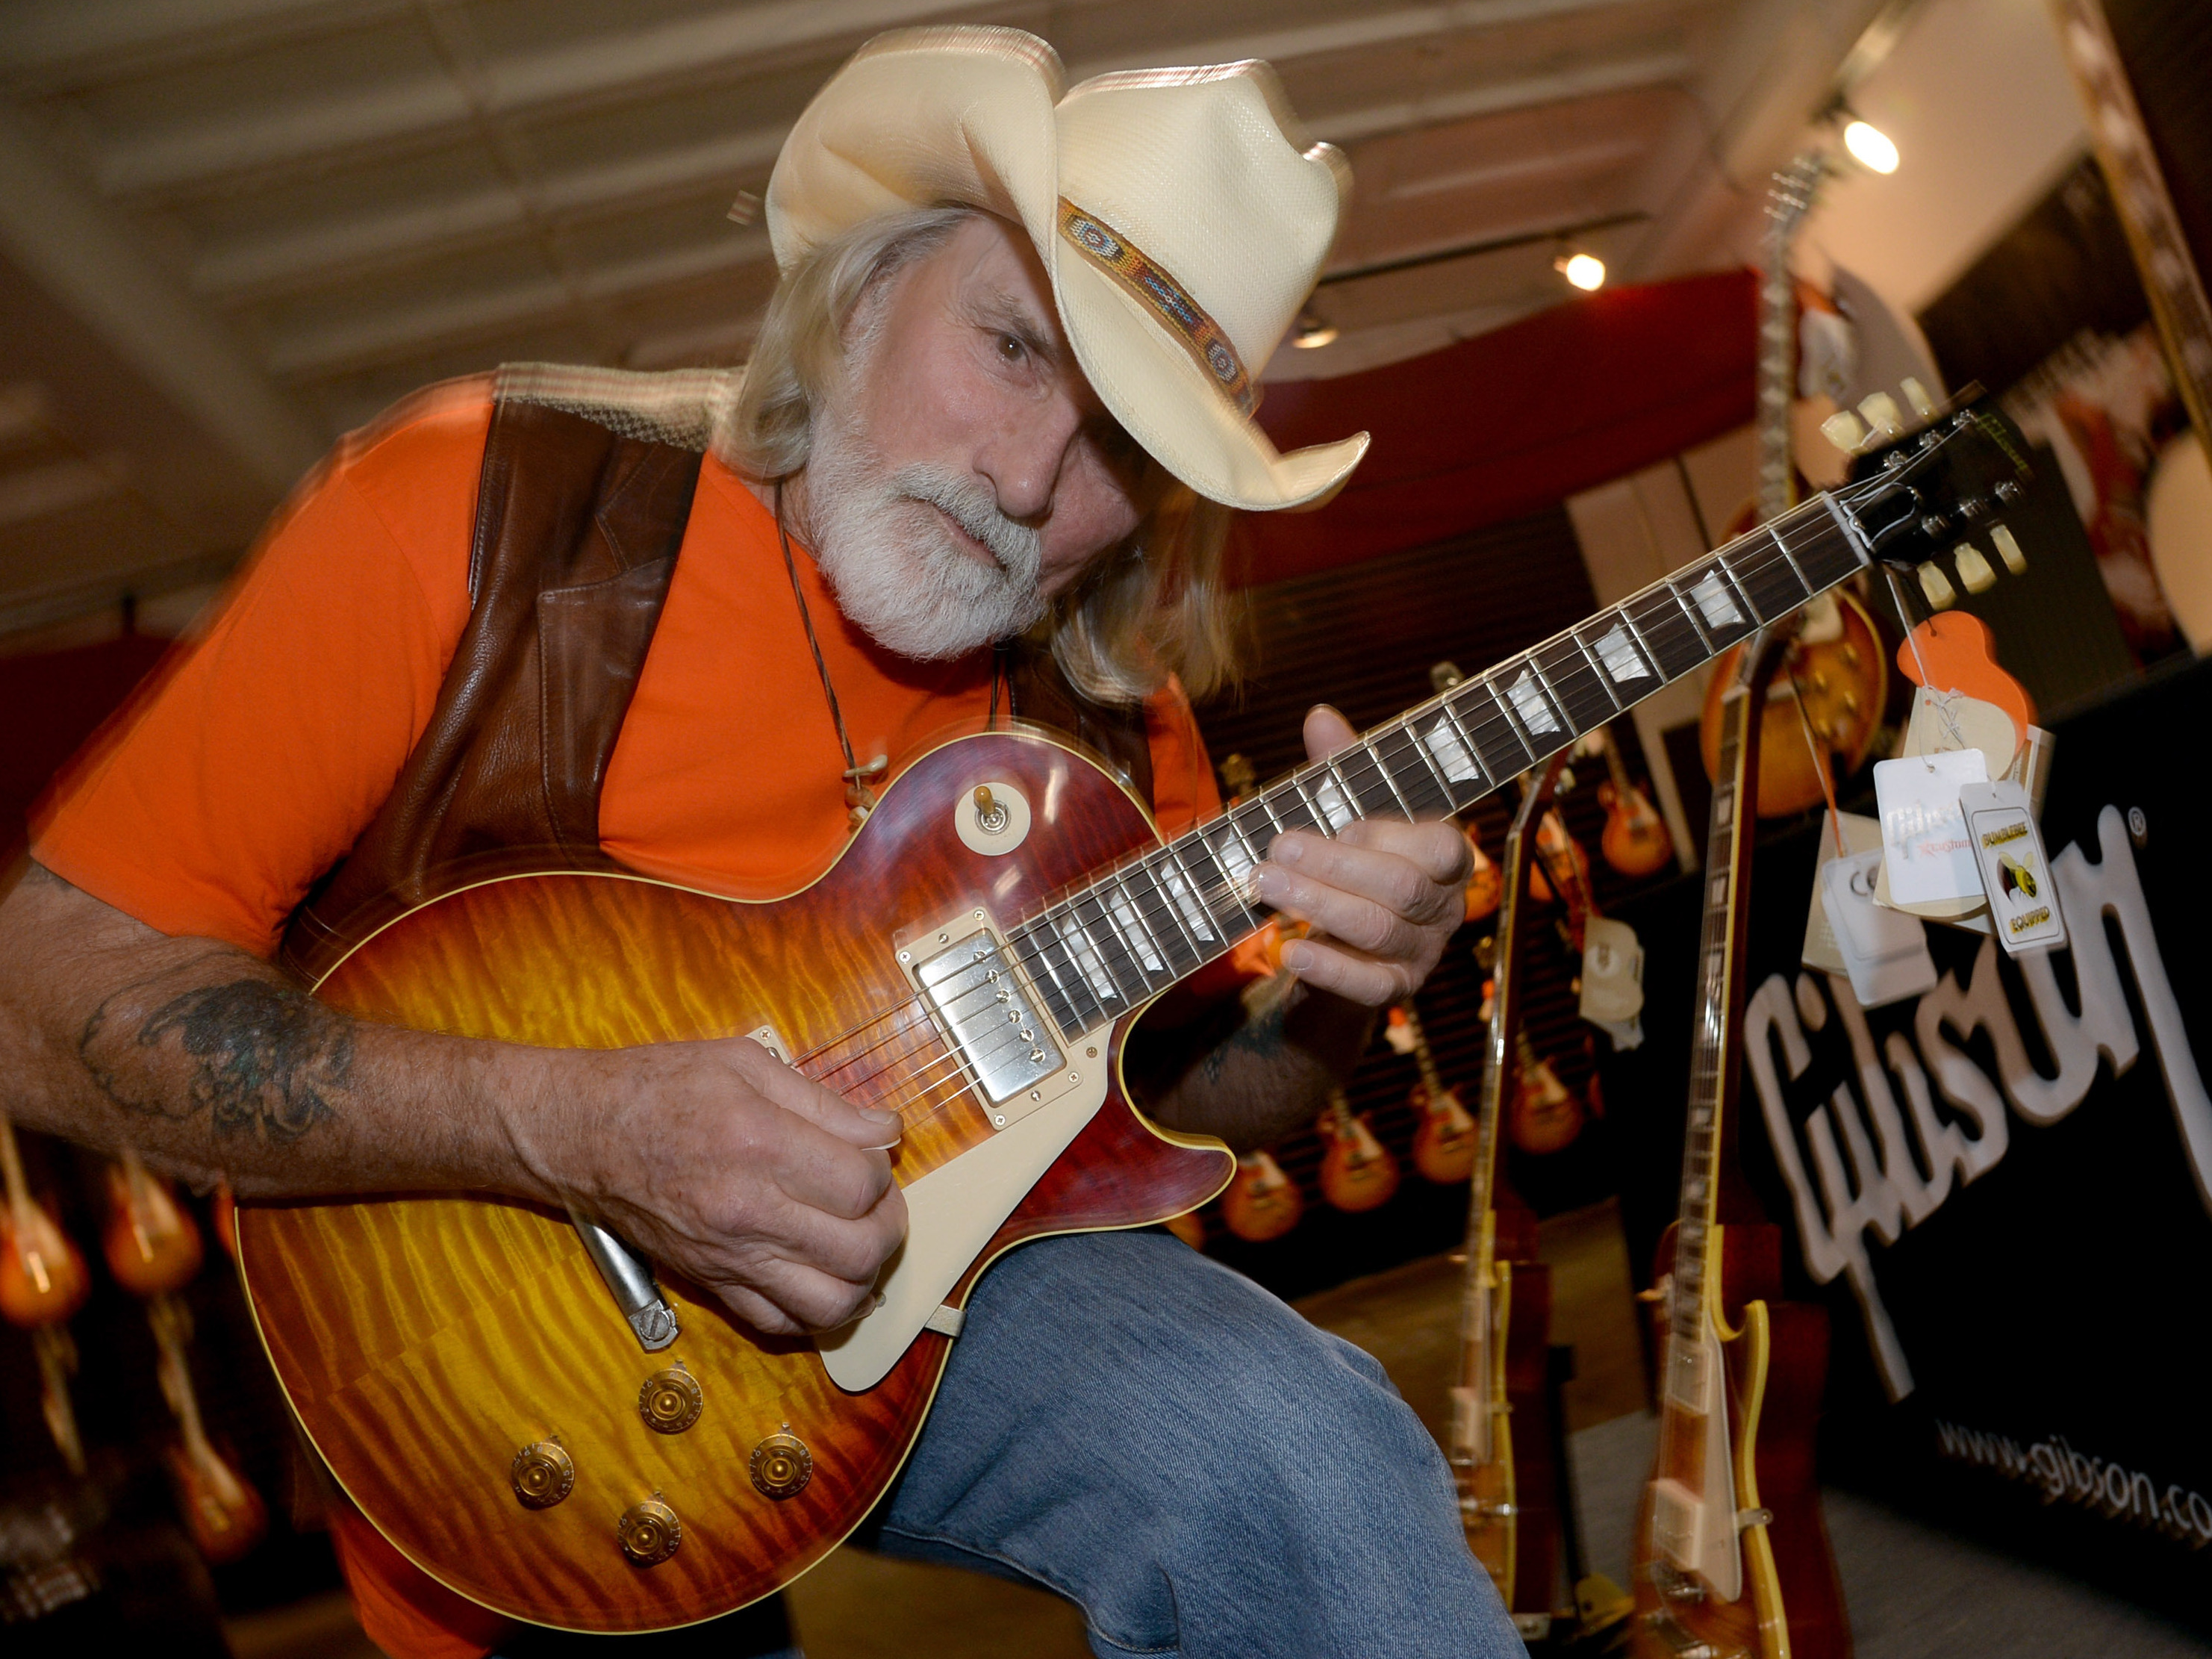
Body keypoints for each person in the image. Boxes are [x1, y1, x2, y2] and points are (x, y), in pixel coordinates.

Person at [0, 27, 1516, 1659]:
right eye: (1012, 347)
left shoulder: (1102, 737)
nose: (1025, 477)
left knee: (1304, 1453)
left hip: (932, 1295)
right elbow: (41, 998)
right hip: (507, 1375)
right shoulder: (474, 516)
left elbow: (1199, 1096)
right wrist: (572, 1126)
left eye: (1121, 452)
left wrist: (1349, 981)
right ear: (866, 290)